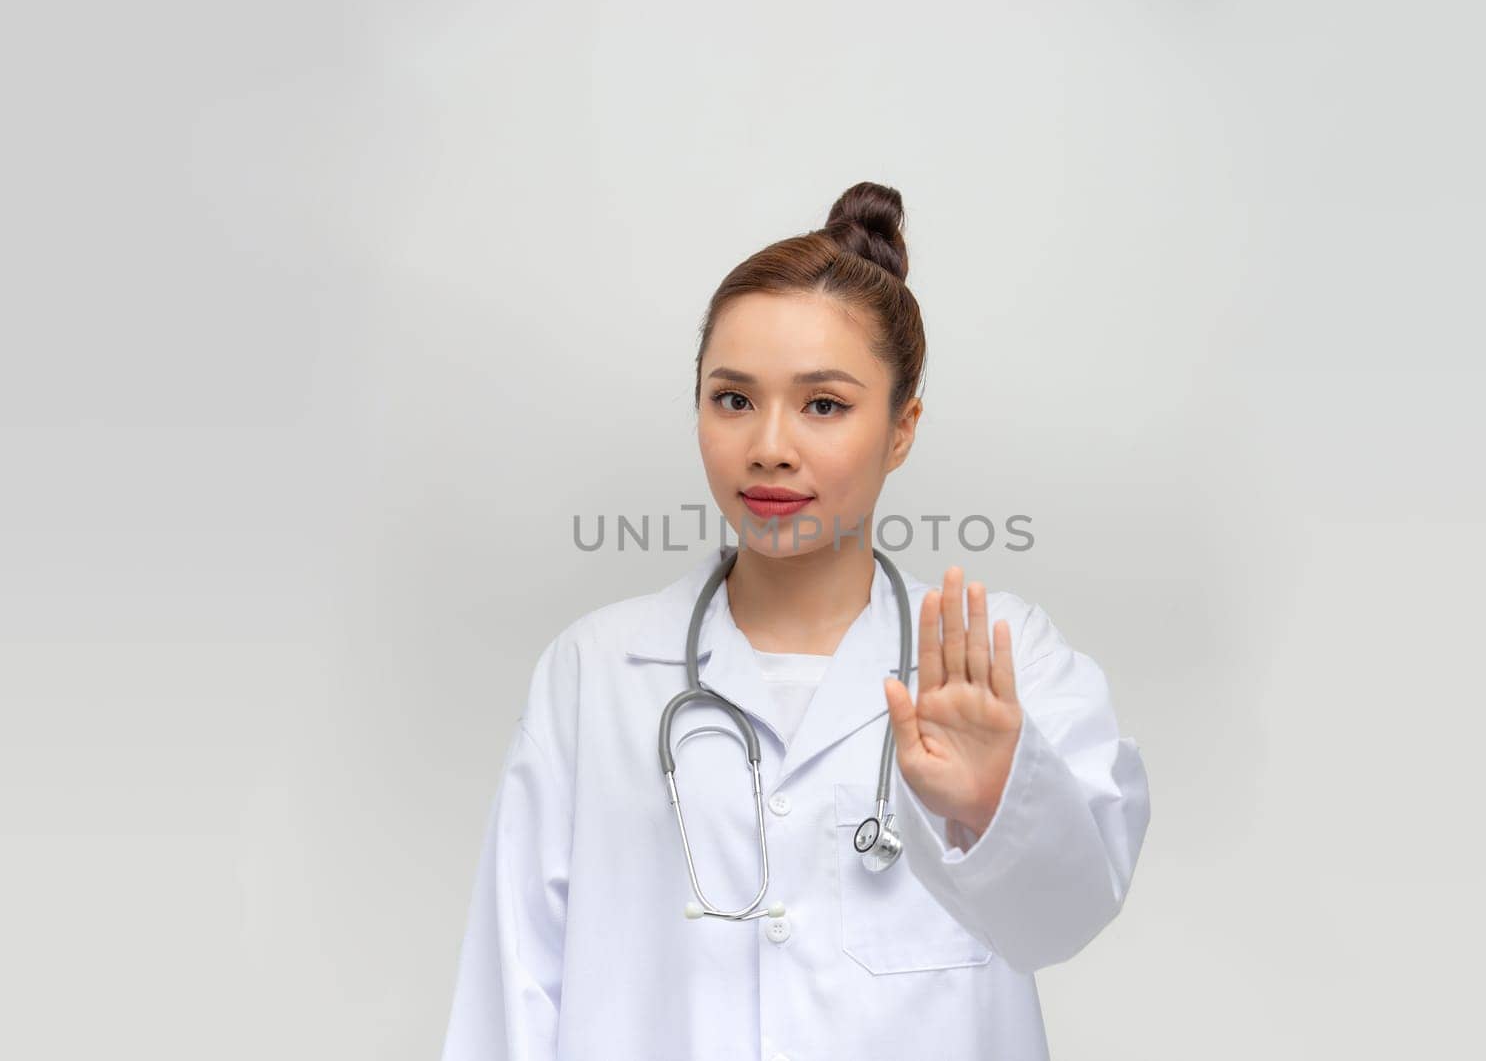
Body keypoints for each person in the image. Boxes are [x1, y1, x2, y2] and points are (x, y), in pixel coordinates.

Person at [439, 181, 1152, 1061]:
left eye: (823, 405)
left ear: (902, 428)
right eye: (733, 399)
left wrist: (996, 801)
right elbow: (512, 994)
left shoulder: (1001, 660)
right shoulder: (595, 672)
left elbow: (1061, 923)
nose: (769, 444)